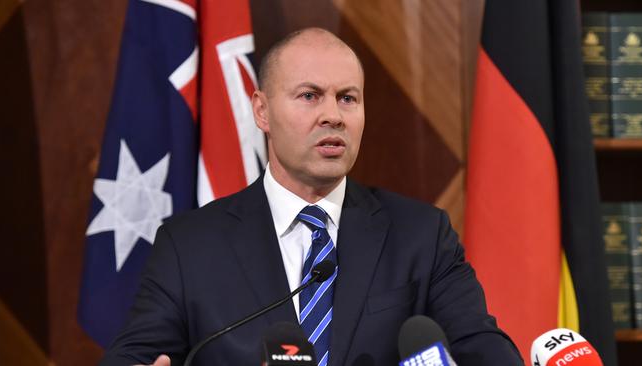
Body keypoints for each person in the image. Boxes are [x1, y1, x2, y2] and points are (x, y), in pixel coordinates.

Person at [100, 28, 523, 366]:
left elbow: (485, 350)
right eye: (310, 96)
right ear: (262, 111)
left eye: (348, 98)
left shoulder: (421, 236)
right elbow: (132, 358)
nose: (333, 115)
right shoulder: (189, 245)